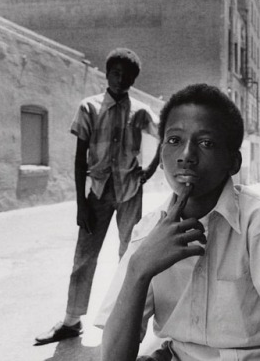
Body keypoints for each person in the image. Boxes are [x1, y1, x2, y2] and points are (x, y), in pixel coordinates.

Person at [95, 84, 260, 360]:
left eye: (206, 143)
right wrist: (139, 269)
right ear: (160, 157)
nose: (186, 156)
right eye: (174, 140)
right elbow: (113, 357)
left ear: (233, 162)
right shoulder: (148, 231)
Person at [35, 48, 160, 345]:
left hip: (130, 191)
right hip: (98, 192)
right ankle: (71, 320)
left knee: (129, 254)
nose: (121, 79)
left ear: (134, 78)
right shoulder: (89, 107)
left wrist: (149, 170)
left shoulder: (140, 111)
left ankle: (121, 317)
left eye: (128, 75)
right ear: (107, 74)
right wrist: (81, 204)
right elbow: (80, 159)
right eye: (116, 73)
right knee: (84, 257)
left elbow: (164, 135)